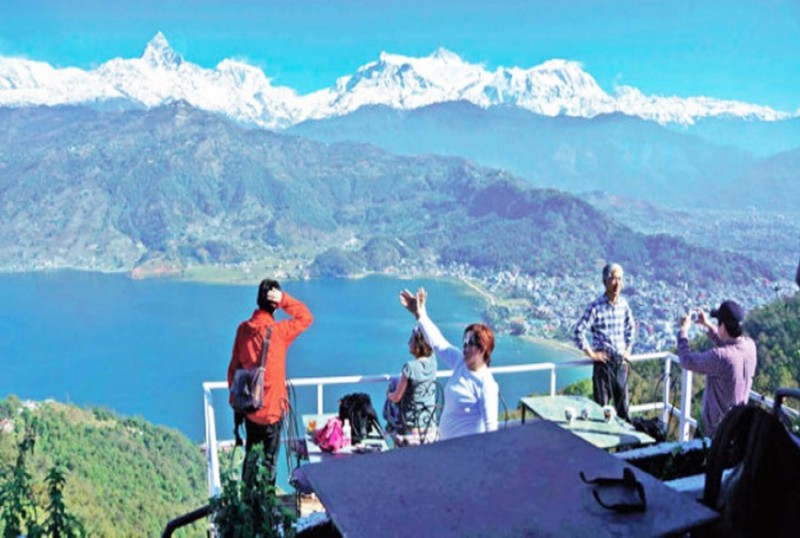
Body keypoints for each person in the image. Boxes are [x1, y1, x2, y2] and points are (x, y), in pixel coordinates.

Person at [227, 278, 313, 485]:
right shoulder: (279, 332)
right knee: (269, 463)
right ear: (274, 305)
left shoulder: (243, 330)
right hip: (273, 410)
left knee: (251, 457)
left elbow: (233, 369)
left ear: (258, 300)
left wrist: (237, 401)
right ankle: (266, 499)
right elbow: (306, 317)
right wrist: (284, 300)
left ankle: (247, 498)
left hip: (250, 408)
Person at [399, 287, 498, 440]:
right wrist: (420, 314)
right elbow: (438, 343)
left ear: (482, 349)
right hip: (446, 444)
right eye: (464, 340)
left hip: (466, 450)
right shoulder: (461, 362)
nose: (464, 345)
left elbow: (491, 431)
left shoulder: (486, 385)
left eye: (470, 342)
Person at [677, 300, 757, 438]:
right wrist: (707, 325)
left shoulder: (720, 357)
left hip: (715, 433)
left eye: (718, 322)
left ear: (723, 327)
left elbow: (687, 360)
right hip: (737, 429)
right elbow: (730, 347)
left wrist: (683, 331)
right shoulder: (750, 346)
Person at [573, 263, 636, 421]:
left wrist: (628, 350)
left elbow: (631, 328)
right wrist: (592, 354)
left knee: (624, 410)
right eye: (613, 279)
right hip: (603, 364)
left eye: (620, 279)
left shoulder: (624, 305)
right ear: (605, 282)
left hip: (620, 363)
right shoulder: (595, 307)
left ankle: (624, 438)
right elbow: (578, 331)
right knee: (601, 410)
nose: (617, 283)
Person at [385, 328, 438, 444]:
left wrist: (388, 394)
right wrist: (419, 330)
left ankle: (390, 429)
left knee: (392, 389)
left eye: (411, 340)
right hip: (429, 422)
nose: (408, 343)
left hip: (412, 424)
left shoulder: (410, 367)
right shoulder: (433, 363)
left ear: (418, 345)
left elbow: (397, 397)